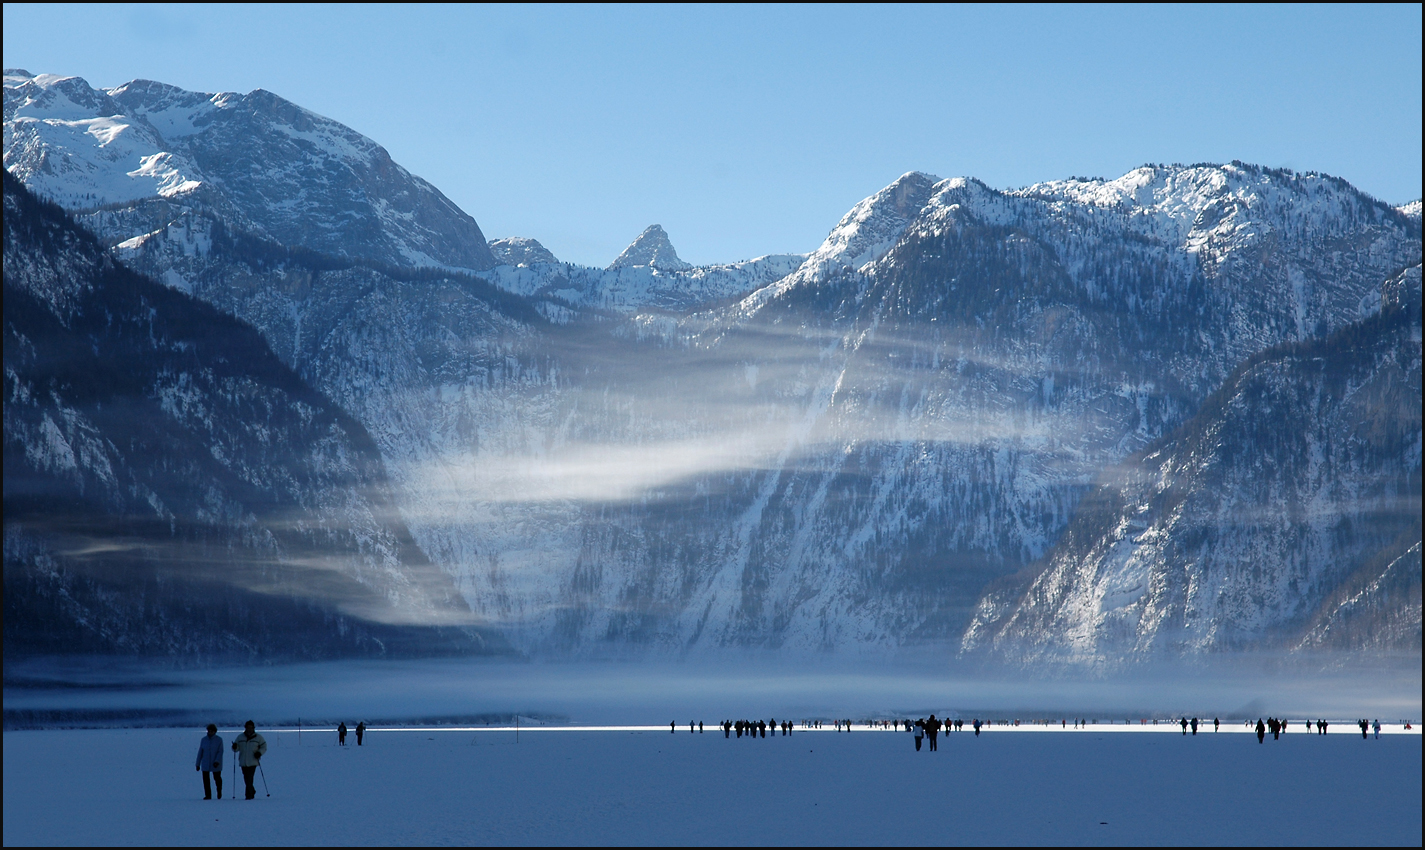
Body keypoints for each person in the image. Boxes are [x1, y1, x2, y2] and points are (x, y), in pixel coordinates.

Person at [232, 720, 268, 799]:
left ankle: (248, 795)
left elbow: (264, 746)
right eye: (248, 728)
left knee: (249, 778)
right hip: (243, 761)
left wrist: (259, 753)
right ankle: (252, 790)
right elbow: (236, 748)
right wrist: (234, 747)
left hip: (253, 761)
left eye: (251, 728)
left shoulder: (258, 737)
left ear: (253, 728)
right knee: (246, 778)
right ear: (245, 728)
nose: (249, 729)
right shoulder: (240, 737)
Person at [196, 724, 224, 799]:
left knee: (217, 779)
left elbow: (220, 751)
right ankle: (208, 795)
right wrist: (197, 764)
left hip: (216, 764)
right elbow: (200, 752)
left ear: (215, 731)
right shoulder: (204, 740)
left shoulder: (219, 740)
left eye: (212, 731)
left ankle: (219, 792)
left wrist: (217, 761)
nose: (210, 732)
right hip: (205, 763)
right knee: (206, 781)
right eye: (209, 731)